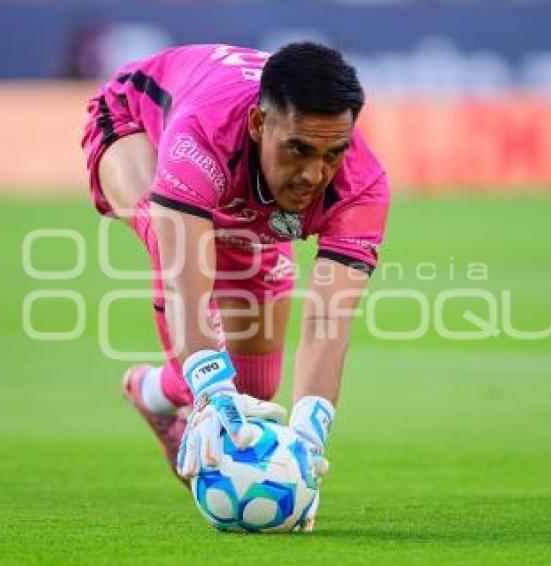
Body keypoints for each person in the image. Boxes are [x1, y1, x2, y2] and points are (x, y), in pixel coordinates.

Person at [81, 42, 389, 530]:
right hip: (137, 125)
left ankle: (153, 394)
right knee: (169, 248)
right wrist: (208, 388)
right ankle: (191, 394)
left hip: (245, 200)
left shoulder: (363, 186)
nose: (314, 174)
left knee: (253, 392)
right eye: (299, 149)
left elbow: (328, 320)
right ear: (259, 125)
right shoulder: (201, 134)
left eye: (333, 153)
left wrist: (309, 434)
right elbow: (185, 287)